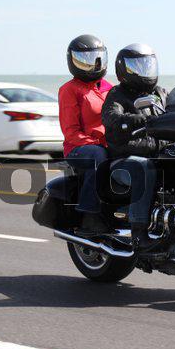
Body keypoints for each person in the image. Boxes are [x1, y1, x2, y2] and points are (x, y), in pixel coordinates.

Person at [102, 43, 168, 249]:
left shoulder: (161, 93)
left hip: (157, 153)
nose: (144, 70)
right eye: (138, 66)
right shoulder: (117, 94)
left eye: (148, 64)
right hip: (124, 160)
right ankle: (139, 233)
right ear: (124, 69)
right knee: (143, 168)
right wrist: (135, 119)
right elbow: (111, 116)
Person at [58, 34, 112, 235]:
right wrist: (98, 144)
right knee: (99, 156)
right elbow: (71, 132)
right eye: (85, 60)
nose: (93, 64)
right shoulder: (70, 90)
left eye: (96, 58)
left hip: (106, 144)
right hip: (79, 148)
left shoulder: (109, 88)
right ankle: (89, 216)